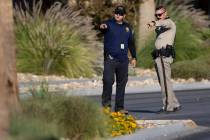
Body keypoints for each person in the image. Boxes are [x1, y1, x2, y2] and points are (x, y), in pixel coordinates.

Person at [99, 5, 137, 114]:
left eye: (120, 14)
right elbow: (103, 27)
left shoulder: (127, 27)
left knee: (122, 84)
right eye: (116, 13)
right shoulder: (109, 24)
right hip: (110, 59)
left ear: (124, 15)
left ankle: (119, 108)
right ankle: (106, 106)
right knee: (108, 81)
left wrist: (134, 57)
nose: (118, 15)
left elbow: (131, 43)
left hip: (123, 60)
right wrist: (102, 27)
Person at [147, 6, 181, 113]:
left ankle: (168, 106)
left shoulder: (169, 22)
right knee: (164, 82)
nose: (158, 17)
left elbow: (164, 23)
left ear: (165, 13)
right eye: (156, 15)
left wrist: (154, 23)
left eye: (160, 14)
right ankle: (174, 103)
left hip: (164, 56)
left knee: (165, 82)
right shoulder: (161, 26)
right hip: (159, 57)